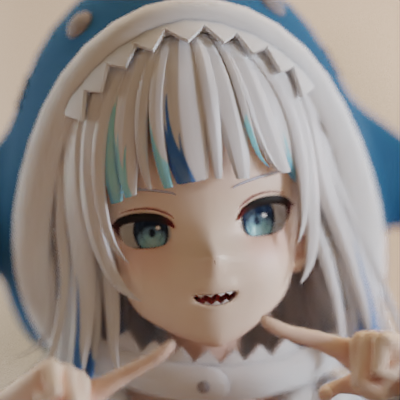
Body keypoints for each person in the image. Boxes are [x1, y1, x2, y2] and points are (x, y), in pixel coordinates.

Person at [0, 1, 398, 399]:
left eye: (262, 216)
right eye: (149, 230)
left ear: (307, 235)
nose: (213, 258)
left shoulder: (342, 386)